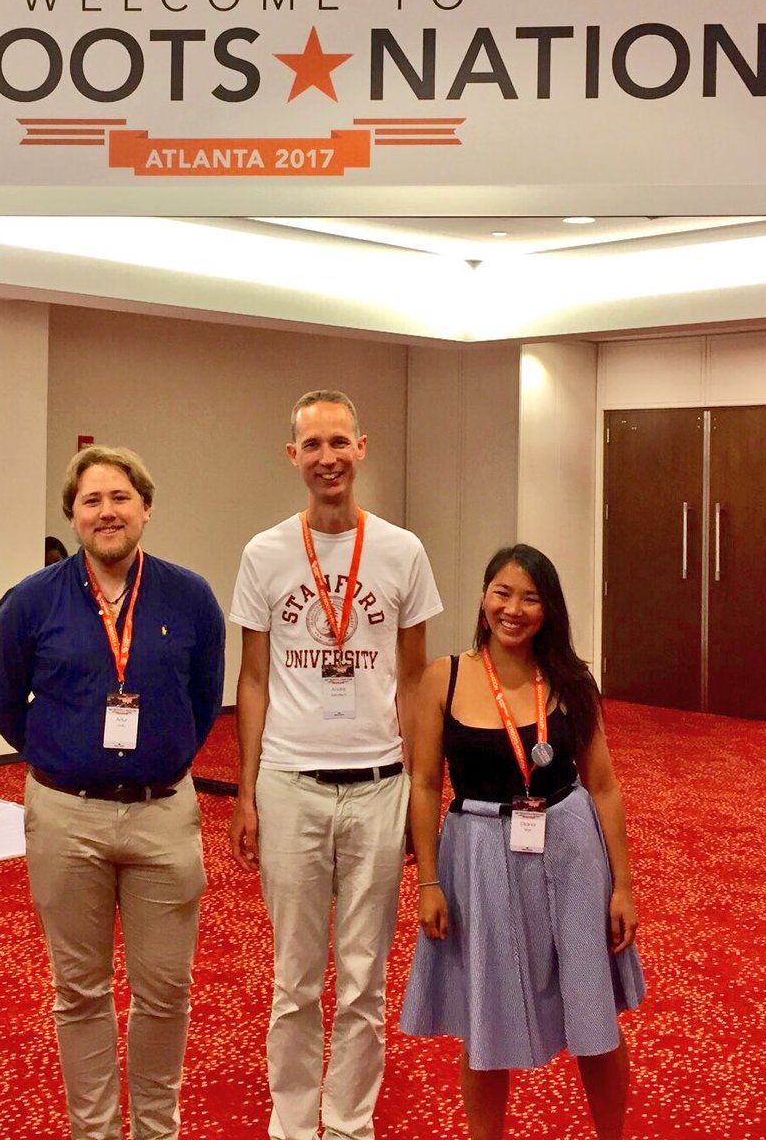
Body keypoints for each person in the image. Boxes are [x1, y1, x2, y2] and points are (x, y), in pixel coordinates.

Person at [0, 444, 225, 1140]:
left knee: (166, 991)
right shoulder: (31, 601)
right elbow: (4, 701)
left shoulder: (190, 596)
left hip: (162, 813)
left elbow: (204, 699)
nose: (107, 512)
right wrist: (64, 756)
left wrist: (160, 755)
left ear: (146, 507)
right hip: (66, 816)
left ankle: (155, 1129)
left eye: (120, 497)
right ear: (73, 515)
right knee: (79, 992)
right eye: (91, 500)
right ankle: (92, 1132)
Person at [229, 390, 443, 1140]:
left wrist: (421, 793)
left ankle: (349, 1125)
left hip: (379, 785)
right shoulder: (264, 554)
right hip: (290, 784)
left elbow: (414, 680)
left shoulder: (401, 551)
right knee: (294, 982)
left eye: (339, 443)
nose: (327, 458)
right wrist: (247, 793)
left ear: (361, 447)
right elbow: (252, 680)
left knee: (362, 983)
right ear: (293, 456)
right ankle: (292, 1126)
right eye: (312, 445)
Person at [400, 543, 645, 1140]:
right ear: (483, 599)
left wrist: (623, 886)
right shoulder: (443, 677)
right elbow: (425, 783)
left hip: (569, 849)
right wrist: (428, 880)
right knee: (486, 1019)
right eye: (502, 594)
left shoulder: (570, 680)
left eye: (530, 597)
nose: (513, 609)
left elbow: (604, 785)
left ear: (548, 608)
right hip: (477, 855)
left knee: (594, 1013)